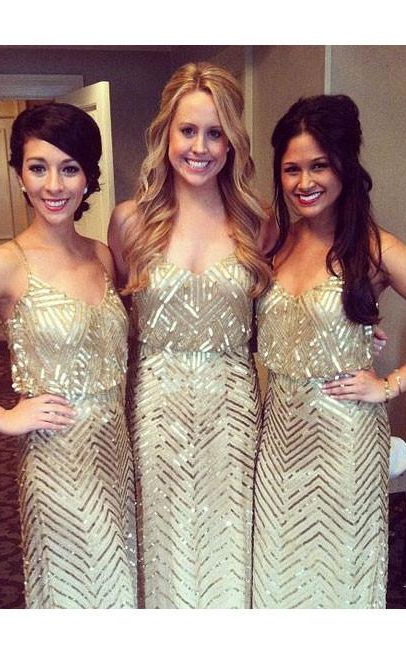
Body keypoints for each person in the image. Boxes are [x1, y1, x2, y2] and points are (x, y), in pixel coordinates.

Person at [252, 94, 406, 608]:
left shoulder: (375, 247)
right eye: (292, 169)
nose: (304, 182)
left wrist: (390, 385)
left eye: (319, 165)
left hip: (344, 440)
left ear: (344, 165)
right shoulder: (276, 240)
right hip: (277, 435)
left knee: (337, 570)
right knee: (277, 570)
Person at [0, 103, 137, 608]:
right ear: (20, 174)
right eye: (38, 168)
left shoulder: (102, 254)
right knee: (74, 589)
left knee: (120, 583)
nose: (53, 185)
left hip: (116, 456)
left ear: (88, 178)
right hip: (56, 462)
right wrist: (3, 418)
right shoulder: (3, 263)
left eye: (69, 168)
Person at [109, 62, 271, 608]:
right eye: (188, 130)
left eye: (215, 133)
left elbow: (294, 294)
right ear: (166, 134)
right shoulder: (130, 222)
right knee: (165, 546)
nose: (200, 147)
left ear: (232, 142)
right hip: (157, 412)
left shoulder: (258, 221)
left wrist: (360, 318)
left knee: (229, 547)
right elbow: (109, 318)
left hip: (234, 413)